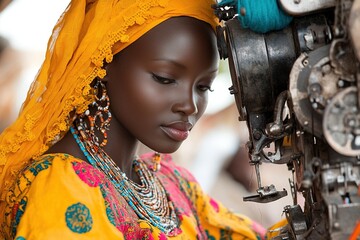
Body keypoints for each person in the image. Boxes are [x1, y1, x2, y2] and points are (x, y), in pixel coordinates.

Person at [0, 0, 270, 239]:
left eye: (203, 87)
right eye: (165, 79)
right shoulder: (60, 190)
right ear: (102, 63)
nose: (189, 105)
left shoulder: (171, 183)